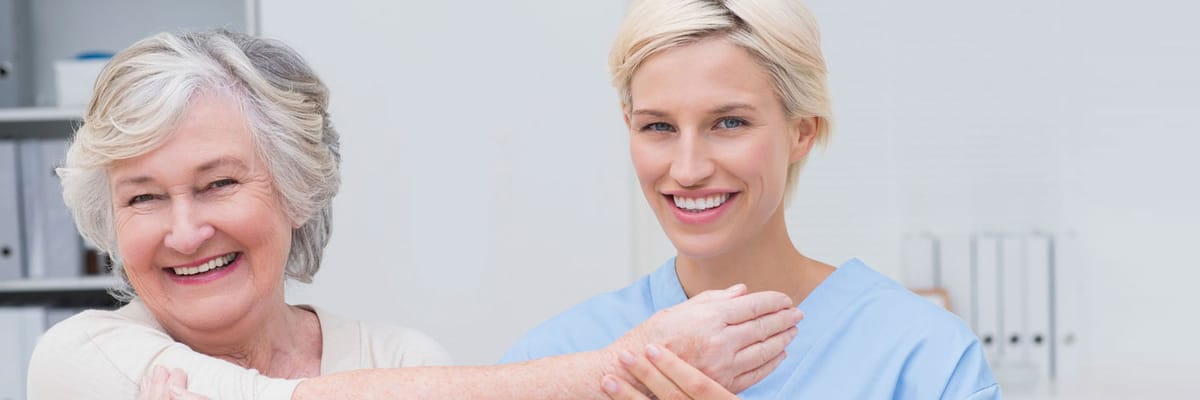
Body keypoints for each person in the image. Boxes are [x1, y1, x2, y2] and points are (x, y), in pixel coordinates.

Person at [26, 29, 804, 400]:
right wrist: (627, 364)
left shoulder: (398, 358)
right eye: (143, 197)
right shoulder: (81, 360)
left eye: (220, 183)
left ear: (296, 190)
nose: (185, 230)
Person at [500, 1, 1002, 399]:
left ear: (802, 132)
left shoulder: (923, 359)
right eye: (658, 126)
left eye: (730, 122)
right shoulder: (560, 358)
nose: (688, 169)